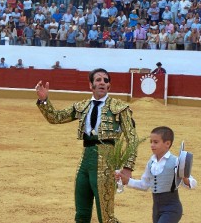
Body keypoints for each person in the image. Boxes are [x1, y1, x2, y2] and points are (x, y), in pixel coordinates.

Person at [35, 68, 138, 223]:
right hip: (85, 160)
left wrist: (128, 168)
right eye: (98, 80)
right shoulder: (82, 106)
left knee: (106, 216)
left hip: (106, 162)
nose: (102, 82)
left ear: (109, 86)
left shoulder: (120, 107)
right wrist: (44, 100)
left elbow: (132, 139)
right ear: (91, 85)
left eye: (106, 80)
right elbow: (55, 118)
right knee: (81, 214)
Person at [115, 126, 197, 223]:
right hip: (156, 209)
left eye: (156, 142)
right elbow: (144, 185)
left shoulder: (176, 162)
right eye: (151, 142)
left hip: (172, 208)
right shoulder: (151, 163)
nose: (152, 145)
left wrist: (186, 180)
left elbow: (193, 183)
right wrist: (126, 180)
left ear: (167, 144)